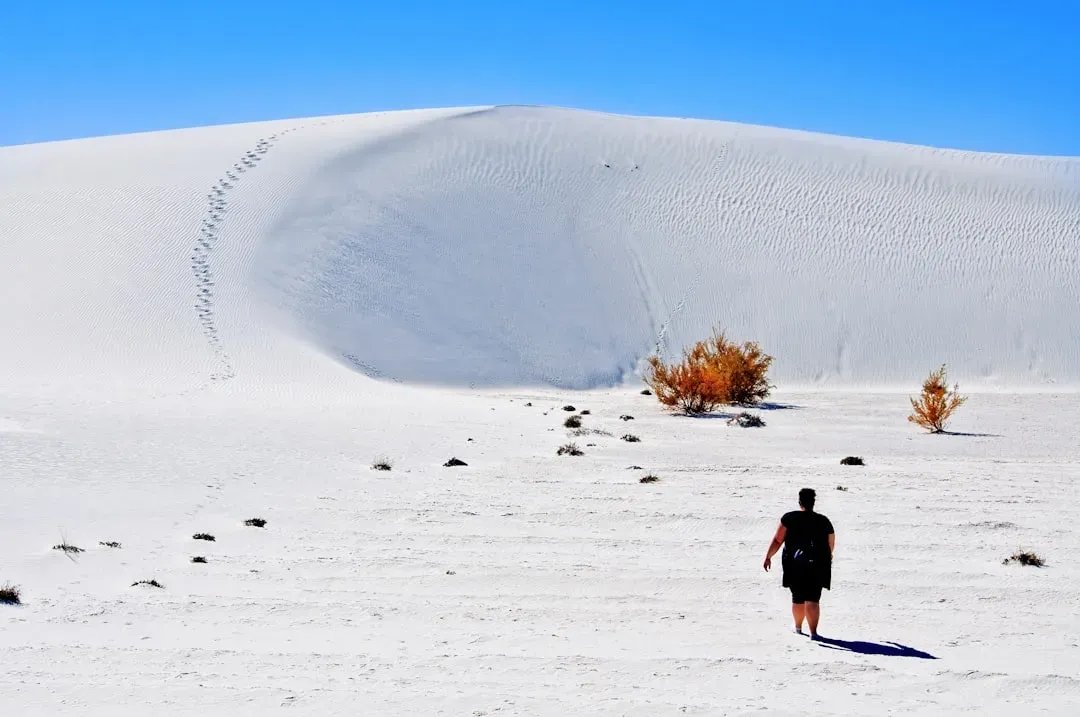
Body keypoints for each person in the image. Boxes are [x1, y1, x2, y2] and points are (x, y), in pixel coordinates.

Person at [763, 488, 835, 639]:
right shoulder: (824, 521)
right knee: (813, 598)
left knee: (798, 596)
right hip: (818, 562)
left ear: (800, 502)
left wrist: (768, 556)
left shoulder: (789, 518)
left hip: (794, 562)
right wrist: (828, 557)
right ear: (813, 503)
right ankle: (813, 632)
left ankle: (798, 627)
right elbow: (830, 544)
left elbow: (778, 540)